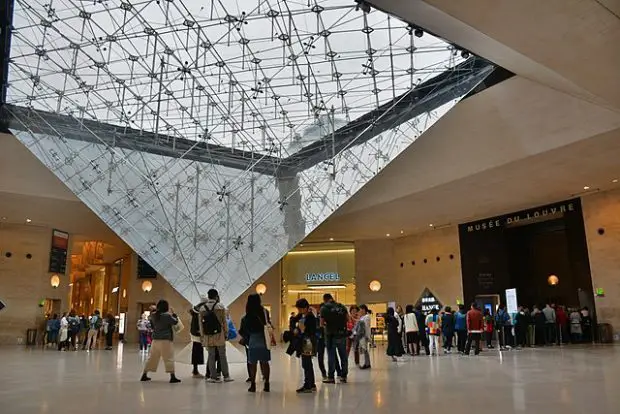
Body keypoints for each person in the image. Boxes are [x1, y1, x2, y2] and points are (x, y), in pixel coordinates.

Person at [140, 300, 181, 383]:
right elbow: (175, 322)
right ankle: (172, 377)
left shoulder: (153, 315)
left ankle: (144, 375)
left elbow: (151, 325)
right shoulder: (167, 316)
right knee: (169, 358)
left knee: (152, 358)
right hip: (166, 340)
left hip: (155, 340)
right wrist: (174, 314)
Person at [239, 293, 271, 393]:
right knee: (264, 362)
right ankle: (266, 384)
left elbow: (243, 330)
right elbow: (267, 323)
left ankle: (253, 385)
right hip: (264, 340)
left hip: (252, 340)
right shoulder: (264, 312)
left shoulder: (247, 316)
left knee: (252, 363)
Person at [202, 289, 232, 383]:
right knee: (222, 355)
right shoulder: (220, 307)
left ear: (208, 296)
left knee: (211, 355)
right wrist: (226, 333)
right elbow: (224, 322)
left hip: (208, 335)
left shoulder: (203, 308)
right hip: (219, 334)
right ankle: (226, 376)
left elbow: (201, 324)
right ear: (216, 296)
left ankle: (213, 377)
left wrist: (203, 336)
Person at [320, 293, 349, 384]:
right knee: (343, 356)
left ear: (325, 300)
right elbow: (347, 319)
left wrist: (327, 325)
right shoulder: (342, 307)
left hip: (330, 335)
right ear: (332, 298)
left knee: (331, 356)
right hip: (342, 335)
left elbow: (321, 323)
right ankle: (343, 376)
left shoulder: (324, 308)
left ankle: (331, 377)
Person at [293, 298, 317, 393]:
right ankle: (311, 384)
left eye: (300, 309)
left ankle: (308, 385)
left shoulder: (310, 317)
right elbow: (294, 320)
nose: (299, 311)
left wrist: (302, 331)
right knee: (307, 364)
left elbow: (310, 331)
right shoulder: (303, 315)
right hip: (306, 341)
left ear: (305, 308)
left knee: (306, 363)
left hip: (308, 342)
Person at [189, 294, 208, 377]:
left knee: (196, 350)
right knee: (198, 351)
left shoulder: (195, 308)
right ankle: (196, 371)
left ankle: (195, 370)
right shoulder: (203, 309)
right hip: (199, 333)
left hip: (194, 332)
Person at [357, 305, 372, 369]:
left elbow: (365, 327)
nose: (359, 311)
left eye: (360, 310)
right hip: (362, 335)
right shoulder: (363, 317)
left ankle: (364, 364)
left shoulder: (366, 317)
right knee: (364, 350)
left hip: (363, 335)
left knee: (363, 350)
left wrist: (367, 336)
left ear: (363, 310)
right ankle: (367, 363)